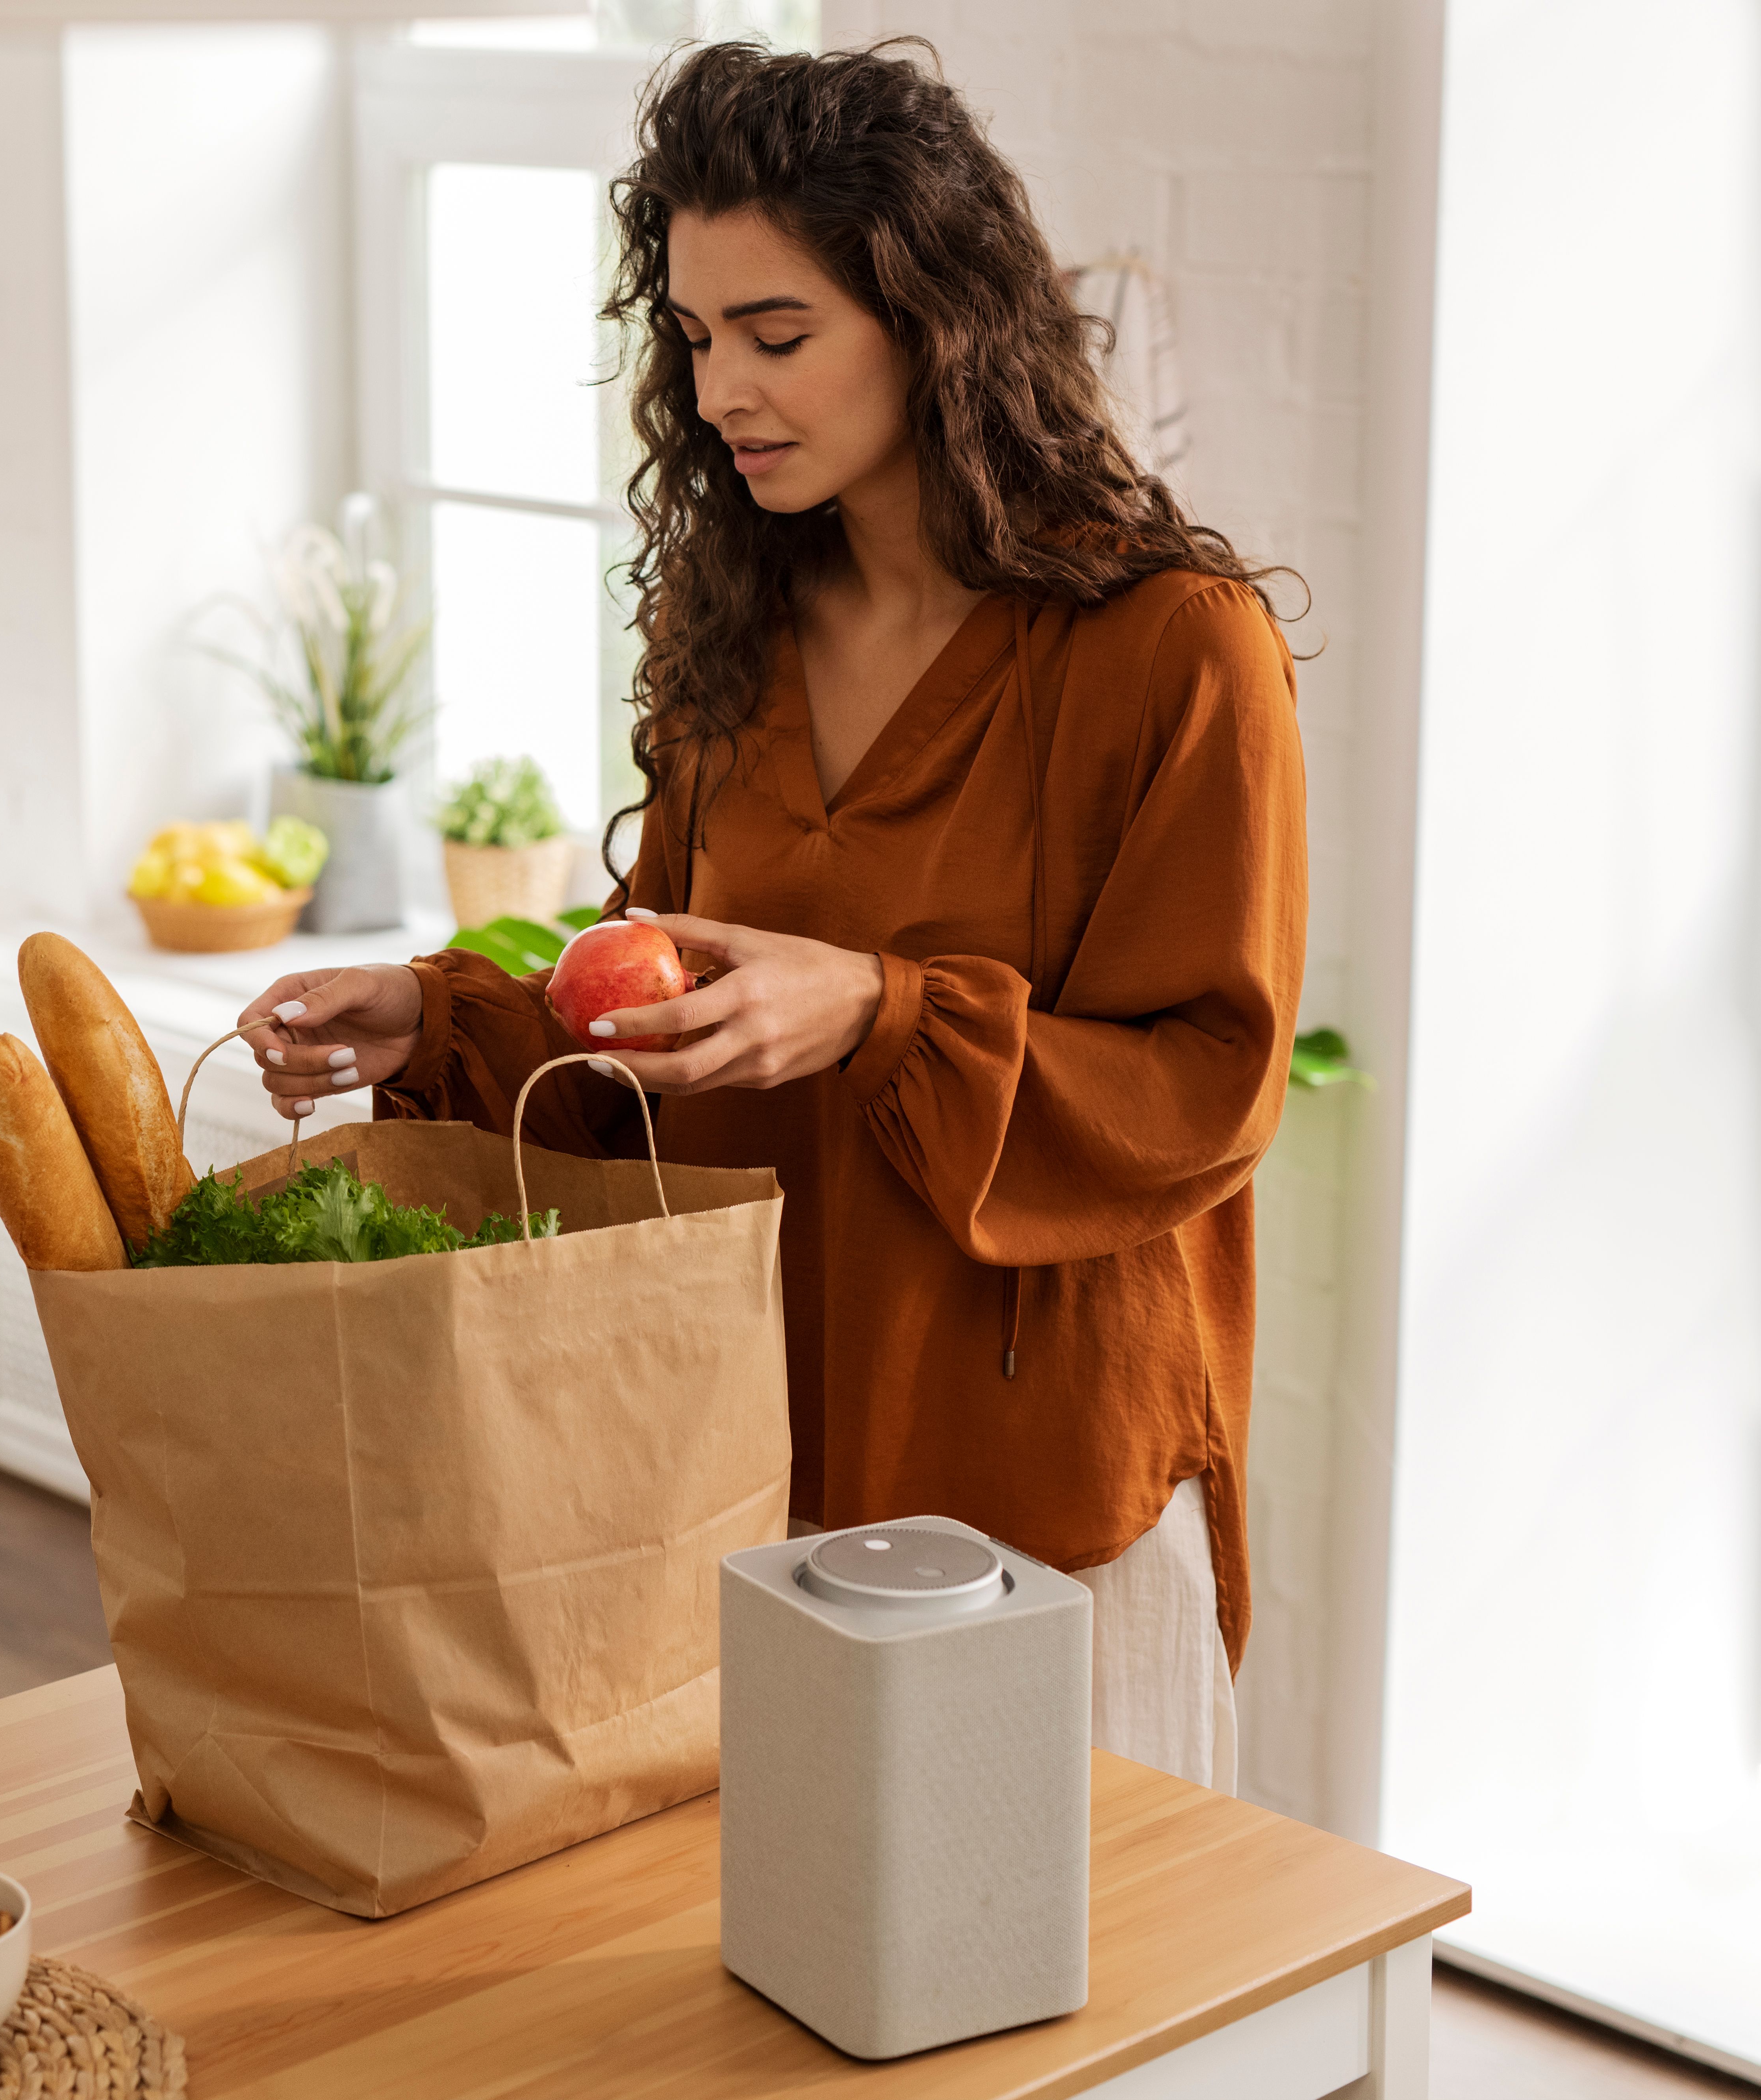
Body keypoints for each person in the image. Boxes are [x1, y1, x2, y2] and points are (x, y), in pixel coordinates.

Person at [237, 40, 1305, 1790]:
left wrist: (883, 1012)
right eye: (692, 332)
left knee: (1073, 2030)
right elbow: (661, 996)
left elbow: (1208, 1079)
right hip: (743, 1439)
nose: (720, 382)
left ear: (934, 317)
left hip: (1040, 1480)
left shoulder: (1171, 651)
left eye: (776, 333)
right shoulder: (727, 634)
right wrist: (442, 1019)